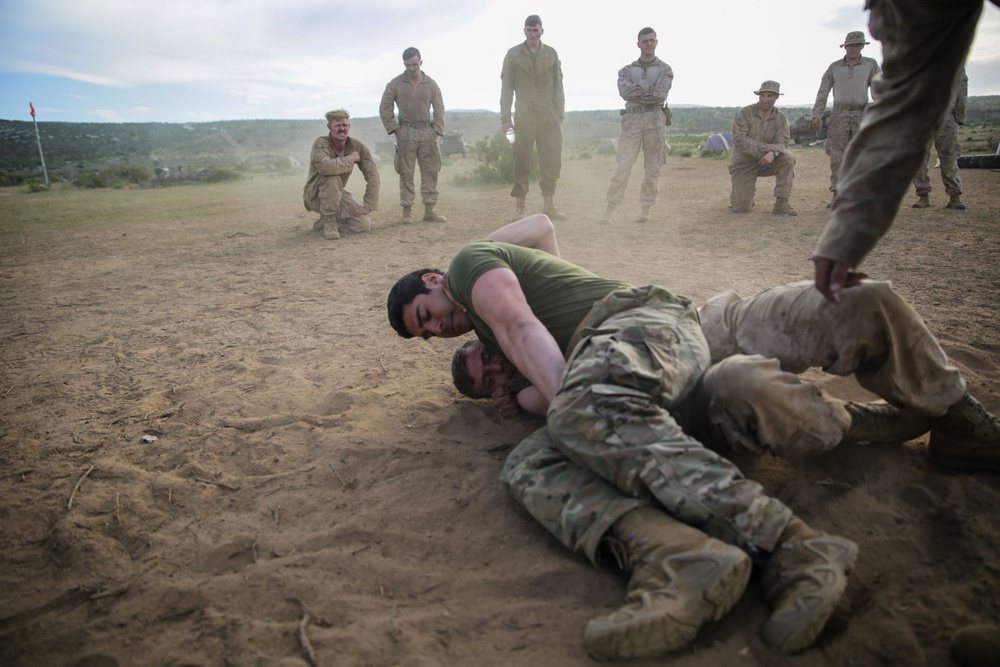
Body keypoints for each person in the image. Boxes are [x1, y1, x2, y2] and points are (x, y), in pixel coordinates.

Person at [387, 215, 859, 659]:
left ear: (433, 282)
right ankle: (683, 558)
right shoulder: (494, 339)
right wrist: (522, 394)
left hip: (640, 325)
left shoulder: (468, 266)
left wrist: (568, 404)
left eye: (426, 314)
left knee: (580, 407)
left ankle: (793, 548)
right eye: (426, 332)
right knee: (530, 463)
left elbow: (519, 323)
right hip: (621, 378)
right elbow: (519, 348)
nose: (436, 328)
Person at [812, 0, 996, 302]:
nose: (876, 28)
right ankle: (922, 193)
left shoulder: (928, 24)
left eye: (882, 13)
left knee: (947, 157)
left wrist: (841, 242)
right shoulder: (837, 68)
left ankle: (953, 194)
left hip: (882, 110)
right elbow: (902, 119)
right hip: (844, 114)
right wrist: (842, 242)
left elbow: (901, 113)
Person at [600, 27, 673, 225]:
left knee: (652, 167)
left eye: (651, 40)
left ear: (656, 42)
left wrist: (638, 91)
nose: (648, 44)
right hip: (632, 120)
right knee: (623, 165)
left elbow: (660, 94)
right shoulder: (626, 71)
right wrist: (647, 93)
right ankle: (611, 208)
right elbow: (625, 92)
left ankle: (645, 208)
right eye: (644, 41)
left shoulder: (665, 70)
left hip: (655, 119)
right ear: (638, 44)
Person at [500, 15, 567, 221]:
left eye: (536, 30)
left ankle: (549, 203)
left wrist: (559, 114)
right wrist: (505, 118)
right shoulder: (513, 54)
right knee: (522, 158)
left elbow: (559, 86)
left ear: (542, 31)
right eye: (529, 30)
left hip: (548, 111)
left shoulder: (551, 54)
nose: (532, 34)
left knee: (551, 157)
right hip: (524, 111)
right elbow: (506, 88)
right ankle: (521, 206)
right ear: (524, 32)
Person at [810, 31, 880, 207]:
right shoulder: (834, 67)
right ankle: (837, 194)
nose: (853, 48)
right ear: (845, 47)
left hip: (862, 114)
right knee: (837, 156)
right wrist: (817, 114)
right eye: (850, 45)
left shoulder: (870, 65)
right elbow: (823, 92)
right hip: (839, 114)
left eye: (857, 45)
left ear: (862, 46)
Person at [379, 47, 448, 225]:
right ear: (404, 64)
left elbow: (439, 108)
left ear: (421, 62)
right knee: (406, 173)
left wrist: (437, 130)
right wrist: (395, 129)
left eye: (415, 64)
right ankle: (407, 212)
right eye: (408, 65)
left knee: (430, 172)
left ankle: (430, 211)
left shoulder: (431, 84)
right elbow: (385, 108)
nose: (412, 68)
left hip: (427, 132)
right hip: (405, 132)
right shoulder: (395, 84)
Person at [302, 109, 380, 241]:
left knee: (363, 226)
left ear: (349, 126)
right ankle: (329, 222)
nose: (342, 129)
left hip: (336, 194)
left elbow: (372, 175)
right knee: (333, 176)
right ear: (329, 127)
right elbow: (325, 168)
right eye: (337, 126)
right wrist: (350, 159)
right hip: (315, 195)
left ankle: (333, 222)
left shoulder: (357, 146)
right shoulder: (321, 144)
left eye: (344, 125)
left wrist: (368, 205)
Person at [728, 81, 797, 216]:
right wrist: (767, 147)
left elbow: (782, 142)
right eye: (762, 95)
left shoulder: (780, 118)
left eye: (770, 96)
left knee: (788, 158)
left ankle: (781, 203)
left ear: (776, 97)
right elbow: (739, 140)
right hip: (743, 163)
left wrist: (773, 153)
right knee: (741, 208)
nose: (765, 99)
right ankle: (745, 195)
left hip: (768, 161)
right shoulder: (744, 113)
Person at [910, 70, 968, 211]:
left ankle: (954, 196)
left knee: (949, 158)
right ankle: (923, 196)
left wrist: (958, 118)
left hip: (947, 119)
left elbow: (962, 93)